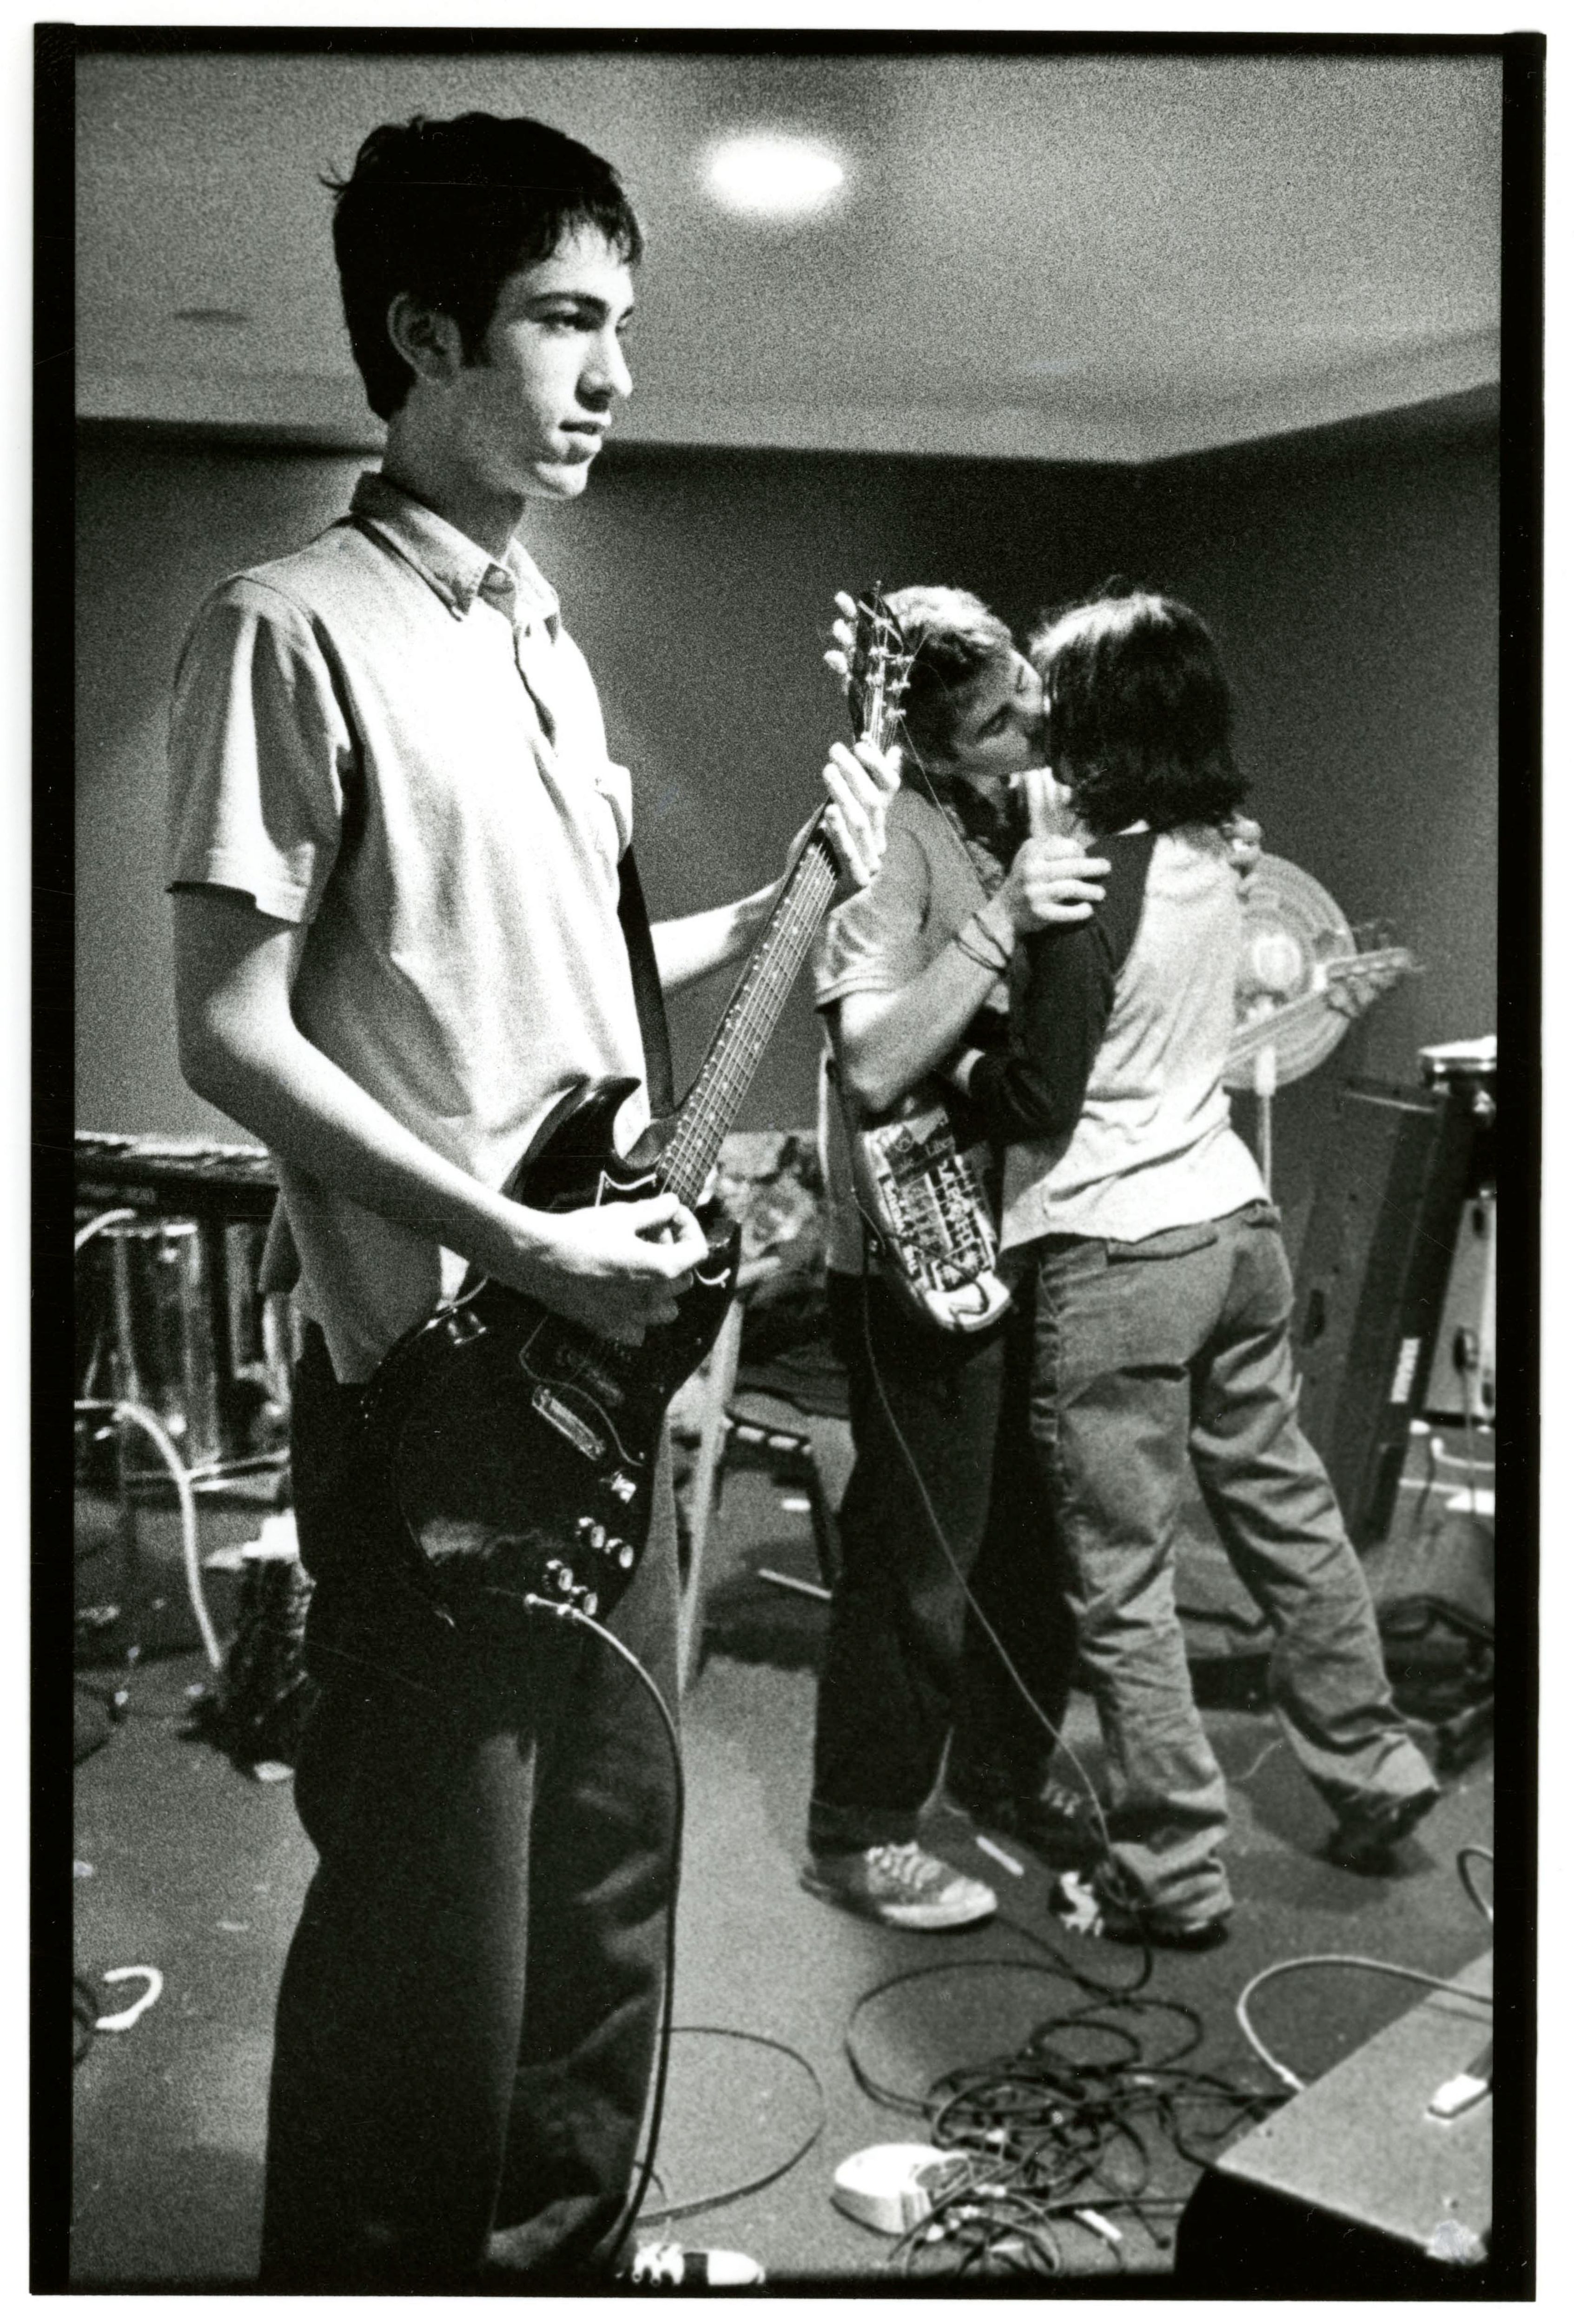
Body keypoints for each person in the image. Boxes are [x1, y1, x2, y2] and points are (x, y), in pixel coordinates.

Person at [166, 111, 895, 2291]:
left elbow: (567, 975)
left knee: (602, 1894)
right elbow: (231, 1032)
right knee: (433, 1956)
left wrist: (790, 895)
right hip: (443, 1392)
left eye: (621, 325)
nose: (612, 374)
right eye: (567, 321)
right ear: (423, 334)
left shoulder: (545, 638)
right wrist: (519, 1242)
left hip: (601, 1361)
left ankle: (559, 2259)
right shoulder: (286, 626)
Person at [948, 587, 1440, 1948]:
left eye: (1053, 697)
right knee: (1289, 1515)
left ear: (1097, 720)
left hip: (1118, 1251)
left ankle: (1167, 1872)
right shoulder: (1222, 857)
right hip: (1233, 1226)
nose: (1036, 716)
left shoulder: (1084, 887)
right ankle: (1376, 1769)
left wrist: (962, 1063)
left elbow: (1039, 1097)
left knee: (1122, 1581)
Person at [802, 586, 1112, 1934]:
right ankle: (860, 1831)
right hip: (912, 1261)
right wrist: (1003, 925)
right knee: (920, 1559)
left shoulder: (996, 810)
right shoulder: (896, 845)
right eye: (1000, 719)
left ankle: (998, 1771)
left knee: (1028, 1543)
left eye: (1031, 688)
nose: (1036, 721)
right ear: (932, 744)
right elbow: (871, 1061)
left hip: (1020, 1237)